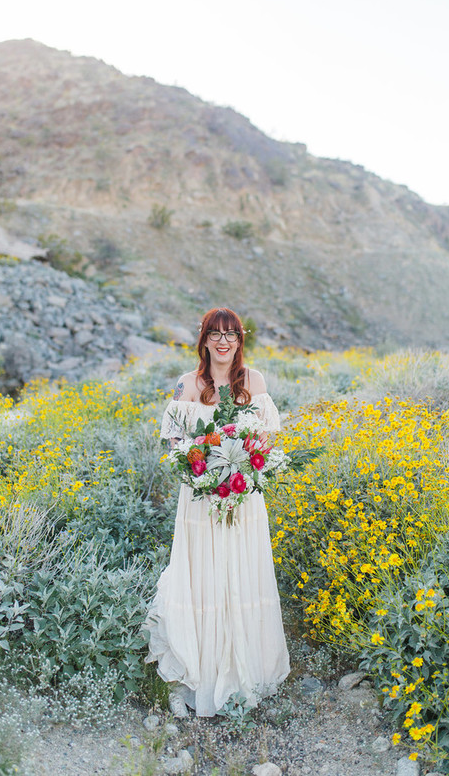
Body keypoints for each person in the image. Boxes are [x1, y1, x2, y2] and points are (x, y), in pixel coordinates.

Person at [143, 307, 290, 718]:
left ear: (240, 340)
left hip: (244, 498)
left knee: (242, 573)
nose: (223, 341)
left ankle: (247, 673)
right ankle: (194, 676)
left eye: (231, 334)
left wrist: (242, 464)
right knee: (202, 576)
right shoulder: (187, 384)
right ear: (204, 339)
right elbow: (173, 442)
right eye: (215, 334)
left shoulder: (253, 382)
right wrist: (202, 466)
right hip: (200, 498)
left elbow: (265, 440)